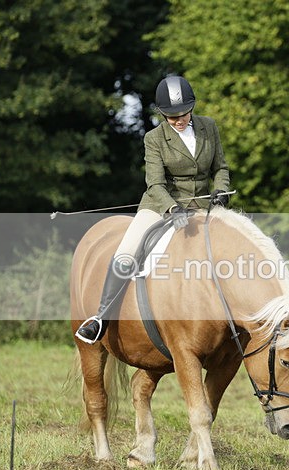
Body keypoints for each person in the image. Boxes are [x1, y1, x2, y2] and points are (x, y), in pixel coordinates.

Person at [75, 75, 231, 344]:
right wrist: (172, 208)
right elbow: (155, 183)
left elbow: (220, 168)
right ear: (162, 114)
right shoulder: (154, 138)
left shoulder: (209, 127)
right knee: (127, 252)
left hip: (205, 206)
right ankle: (101, 317)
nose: (180, 119)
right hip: (160, 205)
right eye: (172, 116)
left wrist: (221, 191)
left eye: (184, 113)